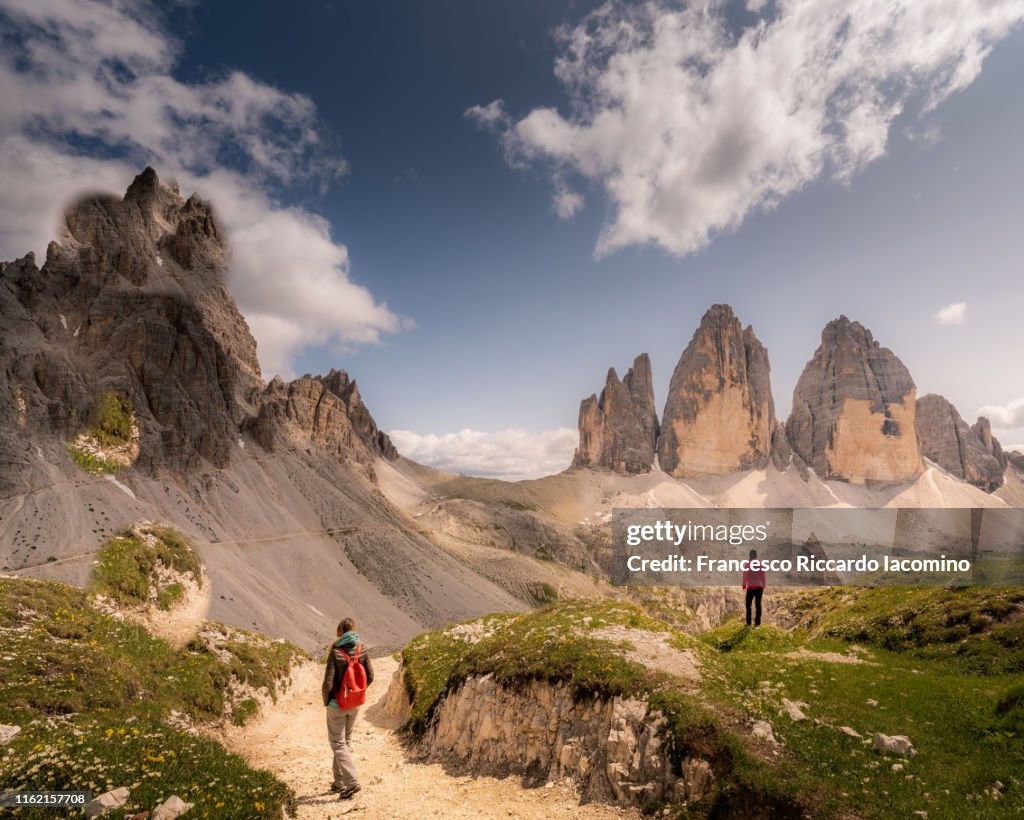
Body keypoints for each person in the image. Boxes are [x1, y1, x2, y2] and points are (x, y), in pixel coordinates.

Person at [322, 617, 374, 799]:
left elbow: (328, 683)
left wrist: (327, 702)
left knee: (337, 743)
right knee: (345, 742)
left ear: (339, 632)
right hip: (355, 704)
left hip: (338, 705)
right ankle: (338, 783)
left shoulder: (336, 652)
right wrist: (357, 692)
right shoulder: (362, 649)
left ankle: (351, 782)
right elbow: (370, 676)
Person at [742, 549, 766, 627]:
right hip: (759, 587)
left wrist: (744, 585)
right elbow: (763, 576)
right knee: (758, 604)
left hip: (751, 587)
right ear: (756, 555)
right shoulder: (760, 564)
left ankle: (748, 623)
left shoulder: (748, 564)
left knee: (748, 605)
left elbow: (745, 576)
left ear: (750, 555)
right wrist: (763, 584)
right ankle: (757, 623)